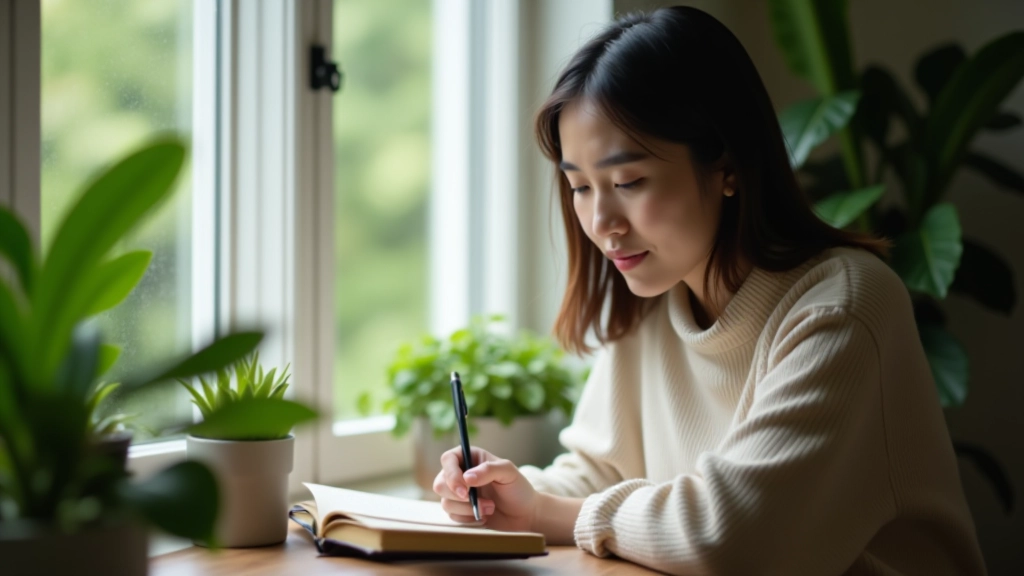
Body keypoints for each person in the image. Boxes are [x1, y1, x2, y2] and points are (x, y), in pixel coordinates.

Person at [433, 6, 987, 575]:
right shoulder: (653, 301)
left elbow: (737, 538)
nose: (600, 221)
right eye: (579, 186)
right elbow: (599, 475)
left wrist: (552, 513)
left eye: (628, 181)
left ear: (727, 167)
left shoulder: (843, 307)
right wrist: (504, 492)